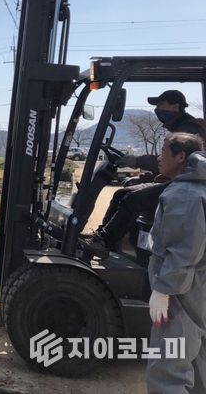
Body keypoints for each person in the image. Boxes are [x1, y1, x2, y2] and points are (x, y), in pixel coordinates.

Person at [84, 90, 206, 259]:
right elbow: (169, 168)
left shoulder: (188, 132)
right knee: (122, 193)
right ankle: (102, 239)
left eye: (160, 105)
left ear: (175, 106)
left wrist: (138, 161)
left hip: (186, 186)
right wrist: (144, 178)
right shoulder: (181, 127)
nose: (157, 109)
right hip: (178, 182)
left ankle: (104, 241)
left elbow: (177, 166)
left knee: (133, 199)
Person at [145, 132, 206, 394]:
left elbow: (183, 251)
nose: (158, 157)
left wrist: (163, 290)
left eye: (163, 151)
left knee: (169, 365)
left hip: (180, 291)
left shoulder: (184, 194)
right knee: (194, 356)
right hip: (194, 286)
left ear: (180, 157)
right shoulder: (195, 188)